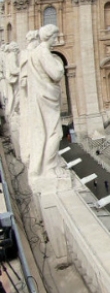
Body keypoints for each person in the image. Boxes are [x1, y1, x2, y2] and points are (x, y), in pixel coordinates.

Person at [27, 25, 65, 179]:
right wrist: (59, 64)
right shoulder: (43, 52)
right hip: (47, 95)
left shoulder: (34, 52)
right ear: (49, 37)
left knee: (45, 130)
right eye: (55, 36)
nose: (57, 39)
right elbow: (56, 74)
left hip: (41, 94)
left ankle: (44, 165)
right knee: (55, 132)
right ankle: (49, 168)